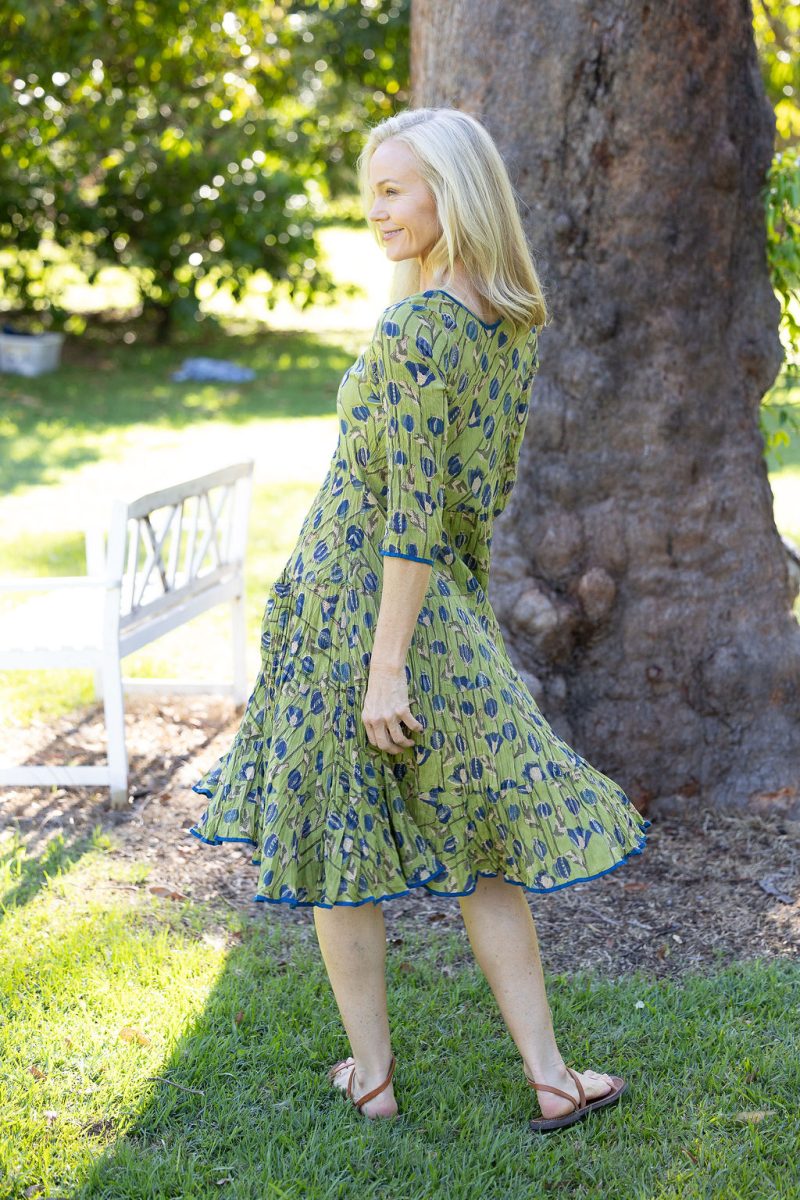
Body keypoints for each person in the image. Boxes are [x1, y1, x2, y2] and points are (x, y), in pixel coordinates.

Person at [187, 106, 650, 1133]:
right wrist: (445, 619)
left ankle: (375, 1077)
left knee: (340, 841)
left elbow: (407, 507)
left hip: (367, 612)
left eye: (395, 188)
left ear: (454, 191)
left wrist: (384, 666)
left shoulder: (416, 328)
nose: (376, 210)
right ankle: (547, 1075)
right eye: (373, 192)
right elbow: (471, 498)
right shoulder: (505, 316)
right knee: (479, 840)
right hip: (434, 599)